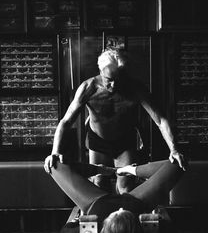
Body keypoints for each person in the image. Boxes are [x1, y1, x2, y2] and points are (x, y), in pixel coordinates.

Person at [44, 48, 186, 194]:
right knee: (99, 185)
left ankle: (123, 216)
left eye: (118, 80)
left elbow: (161, 120)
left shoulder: (136, 88)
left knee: (126, 187)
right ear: (100, 71)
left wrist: (174, 149)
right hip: (98, 142)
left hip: (124, 142)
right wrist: (55, 152)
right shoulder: (89, 88)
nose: (114, 85)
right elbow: (66, 122)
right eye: (109, 80)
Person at [44, 156, 185, 233]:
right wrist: (157, 221)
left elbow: (65, 230)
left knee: (53, 164)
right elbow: (169, 228)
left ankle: (98, 170)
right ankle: (130, 170)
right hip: (136, 201)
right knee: (179, 163)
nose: (120, 209)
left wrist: (81, 220)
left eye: (115, 214)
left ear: (103, 228)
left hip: (96, 202)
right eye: (124, 214)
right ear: (137, 225)